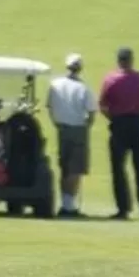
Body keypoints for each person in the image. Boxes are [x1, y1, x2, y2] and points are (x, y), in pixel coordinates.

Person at [98, 46, 139, 220]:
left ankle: (123, 208)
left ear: (119, 61)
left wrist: (112, 118)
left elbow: (103, 105)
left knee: (118, 167)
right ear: (131, 60)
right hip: (138, 121)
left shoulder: (111, 80)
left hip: (119, 123)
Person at [46, 52, 96, 217]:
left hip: (62, 128)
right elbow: (91, 114)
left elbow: (50, 107)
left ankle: (66, 204)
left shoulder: (55, 84)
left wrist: (55, 122)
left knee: (65, 166)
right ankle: (68, 206)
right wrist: (87, 127)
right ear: (80, 68)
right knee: (75, 169)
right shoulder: (83, 88)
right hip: (78, 129)